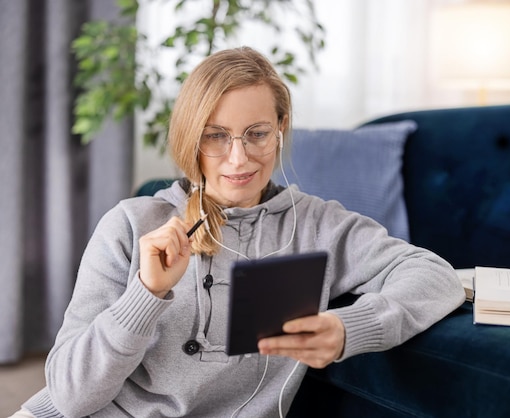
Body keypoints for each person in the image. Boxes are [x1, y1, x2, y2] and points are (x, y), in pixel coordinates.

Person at [15, 46, 465, 417]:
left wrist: (350, 328)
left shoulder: (317, 225)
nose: (239, 159)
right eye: (216, 136)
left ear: (281, 129)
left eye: (257, 134)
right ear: (191, 137)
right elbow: (70, 397)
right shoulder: (132, 223)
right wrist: (146, 294)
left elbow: (434, 275)